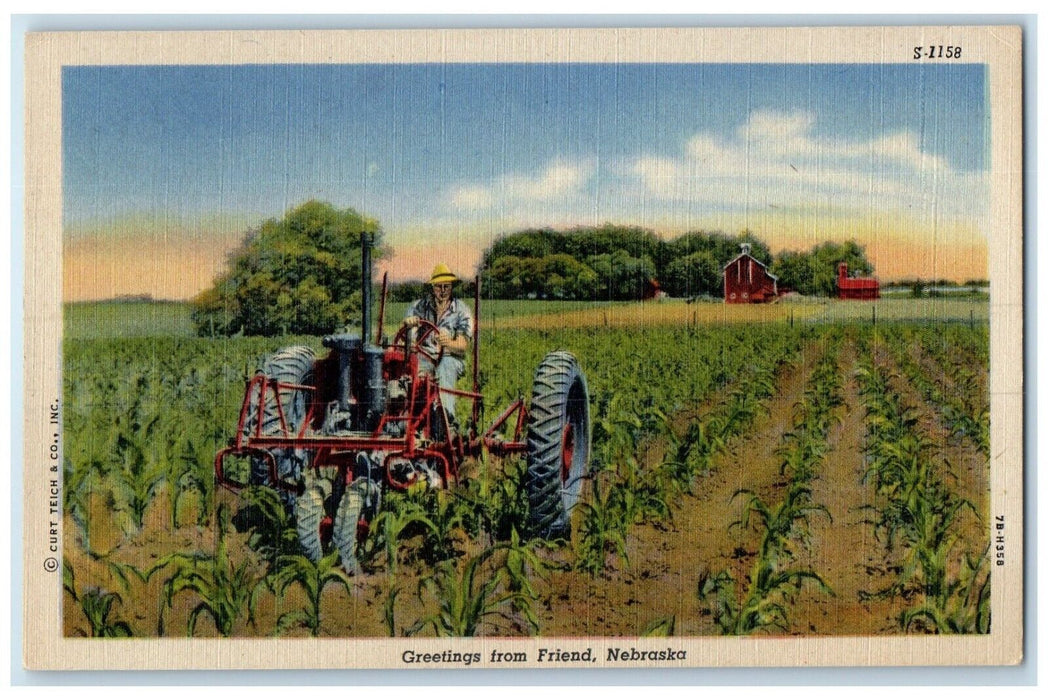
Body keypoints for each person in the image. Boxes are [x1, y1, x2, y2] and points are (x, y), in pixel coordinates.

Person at [402, 263, 473, 419]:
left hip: (450, 357)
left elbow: (462, 346)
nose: (442, 291)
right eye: (438, 287)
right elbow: (407, 341)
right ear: (432, 287)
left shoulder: (462, 311)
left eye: (446, 287)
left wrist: (448, 343)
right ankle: (404, 418)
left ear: (451, 287)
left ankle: (446, 419)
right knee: (406, 368)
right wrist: (409, 326)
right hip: (425, 356)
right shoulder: (419, 307)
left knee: (445, 366)